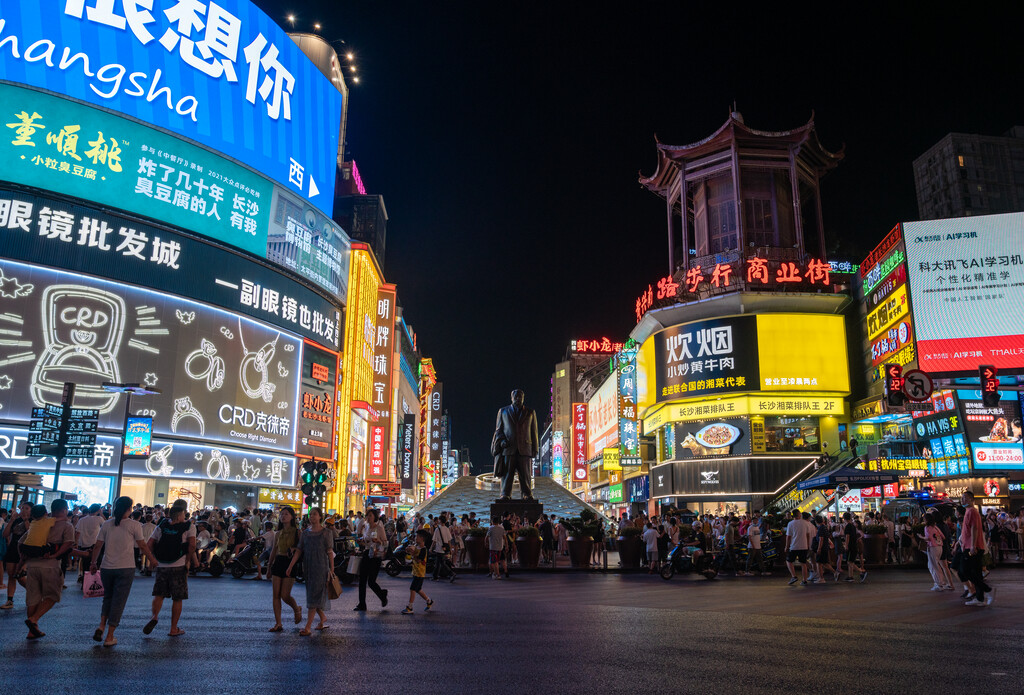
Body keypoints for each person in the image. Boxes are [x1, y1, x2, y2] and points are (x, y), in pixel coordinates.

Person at [90, 496, 160, 647]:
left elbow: (97, 546)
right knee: (119, 601)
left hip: (106, 567)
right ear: (129, 508)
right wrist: (152, 560)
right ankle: (110, 635)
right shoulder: (135, 525)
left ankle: (101, 626)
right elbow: (142, 545)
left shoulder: (107, 524)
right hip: (125, 567)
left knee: (107, 598)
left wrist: (93, 562)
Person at [20, 499, 74, 639]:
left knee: (33, 598)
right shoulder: (66, 525)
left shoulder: (38, 523)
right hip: (51, 565)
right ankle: (34, 619)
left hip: (32, 565)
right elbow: (68, 544)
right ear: (64, 510)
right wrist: (56, 554)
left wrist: (22, 562)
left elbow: (21, 542)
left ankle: (32, 631)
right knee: (52, 596)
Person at [144, 500, 197, 637]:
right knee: (177, 598)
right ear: (182, 513)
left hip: (162, 564)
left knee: (159, 595)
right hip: (179, 564)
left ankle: (154, 617)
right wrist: (189, 561)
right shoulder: (189, 526)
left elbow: (150, 543)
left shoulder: (162, 524)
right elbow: (192, 546)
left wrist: (152, 560)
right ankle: (173, 628)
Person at [287, 507, 335, 635]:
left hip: (321, 567)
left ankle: (308, 627)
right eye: (310, 514)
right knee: (313, 594)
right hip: (307, 567)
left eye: (315, 514)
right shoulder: (305, 533)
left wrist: (332, 569)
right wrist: (291, 565)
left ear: (320, 517)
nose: (312, 516)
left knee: (314, 595)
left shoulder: (326, 533)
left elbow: (329, 552)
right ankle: (322, 617)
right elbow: (299, 550)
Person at [268, 505, 302, 632]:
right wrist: (269, 567)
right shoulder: (278, 533)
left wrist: (294, 550)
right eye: (282, 514)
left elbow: (300, 549)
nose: (283, 516)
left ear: (292, 517)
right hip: (278, 562)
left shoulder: (297, 532)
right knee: (275, 595)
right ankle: (278, 623)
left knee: (285, 595)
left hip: (290, 563)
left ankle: (296, 608)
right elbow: (273, 551)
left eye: (286, 514)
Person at [960, 490, 993, 606]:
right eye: (962, 498)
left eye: (965, 498)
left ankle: (988, 590)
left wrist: (973, 545)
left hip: (972, 548)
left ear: (971, 499)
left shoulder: (972, 511)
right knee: (976, 573)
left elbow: (974, 528)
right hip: (970, 546)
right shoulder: (969, 511)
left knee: (964, 570)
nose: (962, 500)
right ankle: (980, 598)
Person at [354, 509, 388, 610]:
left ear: (375, 517)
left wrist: (379, 541)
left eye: (370, 516)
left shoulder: (379, 528)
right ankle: (362, 604)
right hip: (367, 553)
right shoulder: (366, 527)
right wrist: (361, 542)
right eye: (367, 516)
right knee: (362, 580)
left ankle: (382, 595)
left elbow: (385, 543)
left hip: (375, 555)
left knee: (371, 582)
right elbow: (366, 542)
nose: (368, 518)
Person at [401, 529, 434, 614]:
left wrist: (412, 555)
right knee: (418, 589)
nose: (415, 538)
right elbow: (411, 549)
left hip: (420, 573)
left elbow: (419, 560)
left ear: (422, 538)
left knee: (412, 589)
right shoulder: (416, 546)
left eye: (417, 536)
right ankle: (429, 601)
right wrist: (408, 550)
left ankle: (410, 607)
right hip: (416, 572)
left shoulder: (423, 549)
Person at [918, 513, 951, 591]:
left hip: (932, 547)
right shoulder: (936, 527)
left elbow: (928, 538)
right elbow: (943, 537)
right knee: (937, 565)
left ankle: (939, 584)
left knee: (933, 566)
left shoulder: (927, 528)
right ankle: (941, 582)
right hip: (940, 547)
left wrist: (921, 537)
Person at [75, 504, 104, 584]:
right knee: (96, 563)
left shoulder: (82, 519)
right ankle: (94, 582)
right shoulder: (99, 519)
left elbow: (77, 532)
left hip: (83, 544)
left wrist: (76, 543)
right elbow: (105, 525)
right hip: (95, 544)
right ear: (98, 510)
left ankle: (85, 581)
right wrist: (101, 513)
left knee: (85, 564)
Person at [784, 509, 813, 585]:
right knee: (803, 563)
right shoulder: (805, 523)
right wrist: (807, 545)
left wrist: (786, 546)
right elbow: (808, 535)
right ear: (799, 514)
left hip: (794, 546)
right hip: (803, 546)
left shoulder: (790, 524)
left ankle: (794, 576)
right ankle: (804, 580)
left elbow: (788, 537)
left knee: (789, 561)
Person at [430, 517, 453, 581]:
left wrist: (431, 548)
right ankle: (435, 576)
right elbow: (449, 540)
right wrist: (450, 549)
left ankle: (451, 573)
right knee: (438, 562)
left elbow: (434, 540)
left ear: (440, 521)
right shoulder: (447, 529)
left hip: (439, 548)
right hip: (445, 548)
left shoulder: (437, 529)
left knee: (441, 563)